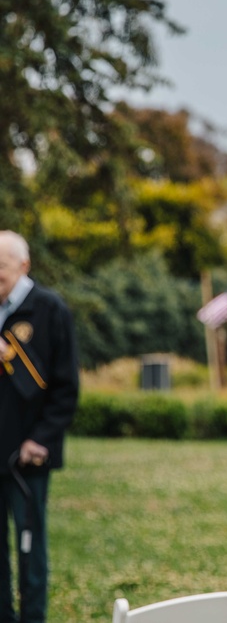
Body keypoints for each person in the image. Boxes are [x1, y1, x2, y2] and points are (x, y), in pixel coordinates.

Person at [0, 231, 80, 623]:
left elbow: (65, 389)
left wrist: (41, 439)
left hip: (28, 455)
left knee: (30, 547)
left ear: (23, 265)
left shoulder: (49, 309)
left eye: (0, 267)